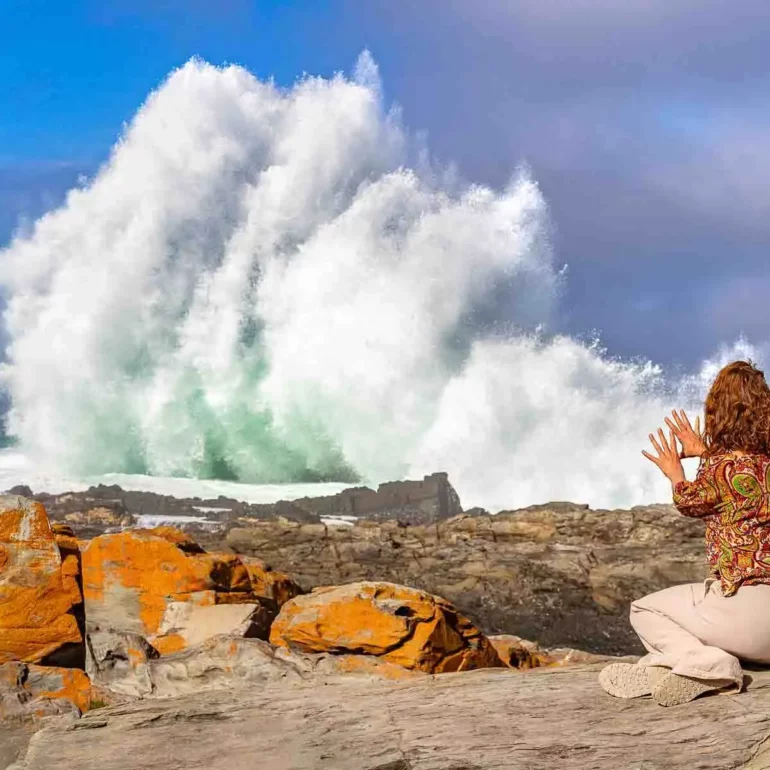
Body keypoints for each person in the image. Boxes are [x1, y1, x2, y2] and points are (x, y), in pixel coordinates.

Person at [599, 360, 770, 706]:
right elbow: (744, 478)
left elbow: (689, 501)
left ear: (718, 413)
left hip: (747, 618)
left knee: (644, 610)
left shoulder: (718, 470)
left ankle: (703, 663)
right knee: (701, 619)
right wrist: (705, 453)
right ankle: (672, 664)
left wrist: (675, 471)